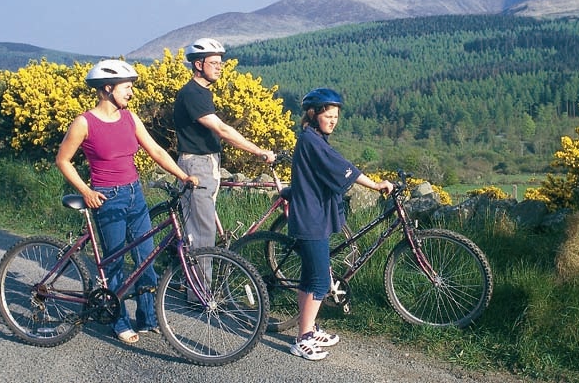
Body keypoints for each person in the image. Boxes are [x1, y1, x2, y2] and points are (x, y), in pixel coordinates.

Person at [56, 59, 199, 345]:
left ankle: (148, 318)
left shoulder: (130, 118)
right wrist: (86, 191)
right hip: (107, 197)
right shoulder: (85, 122)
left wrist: (183, 175)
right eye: (127, 87)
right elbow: (63, 160)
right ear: (108, 88)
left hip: (135, 193)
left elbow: (156, 150)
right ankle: (117, 320)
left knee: (146, 258)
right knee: (115, 262)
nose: (131, 93)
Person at [288, 87, 394, 360]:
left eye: (336, 116)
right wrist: (375, 185)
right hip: (311, 218)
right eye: (328, 116)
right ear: (313, 114)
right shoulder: (311, 141)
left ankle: (308, 328)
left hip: (313, 215)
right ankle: (303, 338)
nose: (333, 121)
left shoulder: (313, 138)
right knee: (320, 280)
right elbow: (341, 167)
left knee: (309, 276)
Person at [173, 37, 275, 255]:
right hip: (197, 164)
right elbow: (222, 129)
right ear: (198, 64)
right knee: (203, 236)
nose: (219, 68)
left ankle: (196, 273)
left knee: (203, 229)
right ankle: (201, 279)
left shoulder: (203, 92)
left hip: (207, 162)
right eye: (214, 63)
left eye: (221, 63)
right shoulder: (192, 93)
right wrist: (258, 151)